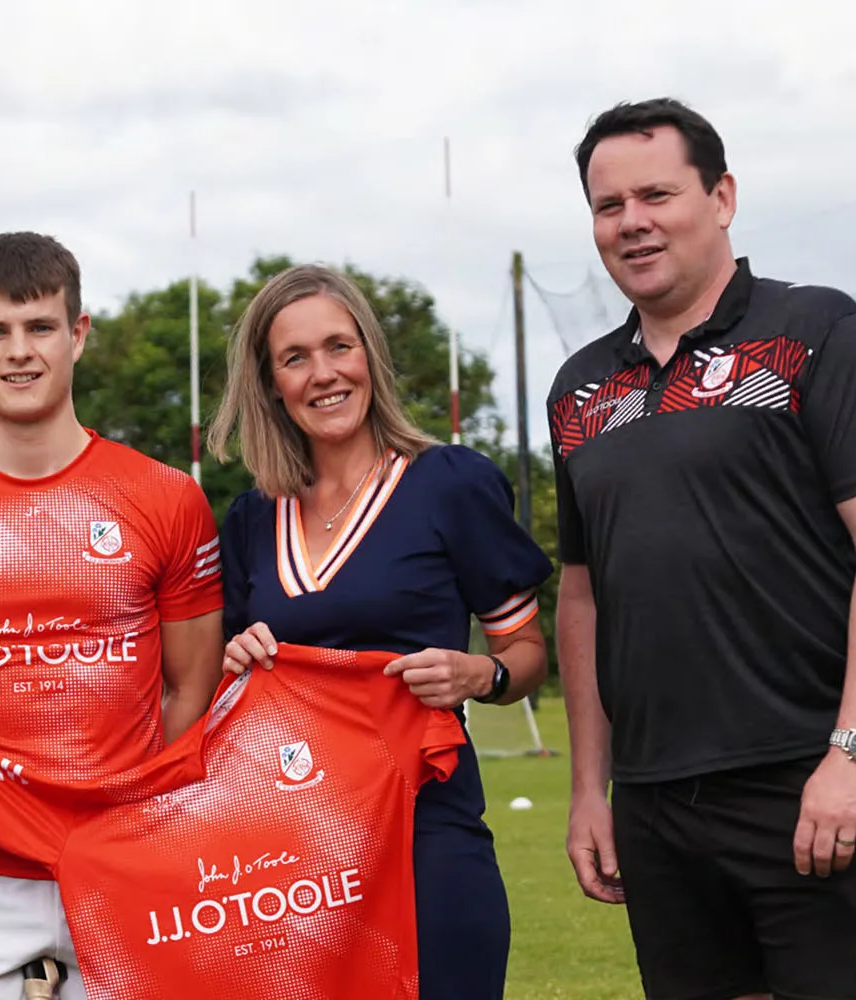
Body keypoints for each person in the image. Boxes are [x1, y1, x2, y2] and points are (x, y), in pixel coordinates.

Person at [548, 98, 856, 1000]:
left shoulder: (816, 335)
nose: (632, 222)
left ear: (720, 197)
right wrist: (588, 791)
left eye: (657, 194)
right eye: (610, 206)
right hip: (655, 807)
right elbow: (584, 597)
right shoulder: (581, 389)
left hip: (812, 784)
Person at [0, 232, 225, 1000]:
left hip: (127, 856)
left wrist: (138, 814)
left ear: (79, 333)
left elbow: (189, 690)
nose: (18, 352)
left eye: (40, 327)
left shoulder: (166, 497)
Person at [208, 263, 554, 1000]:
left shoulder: (450, 483)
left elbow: (524, 654)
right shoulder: (251, 519)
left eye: (340, 346)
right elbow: (220, 695)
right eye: (294, 358)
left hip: (428, 830)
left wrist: (480, 675)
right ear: (270, 383)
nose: (324, 374)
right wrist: (233, 663)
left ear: (370, 354)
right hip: (291, 853)